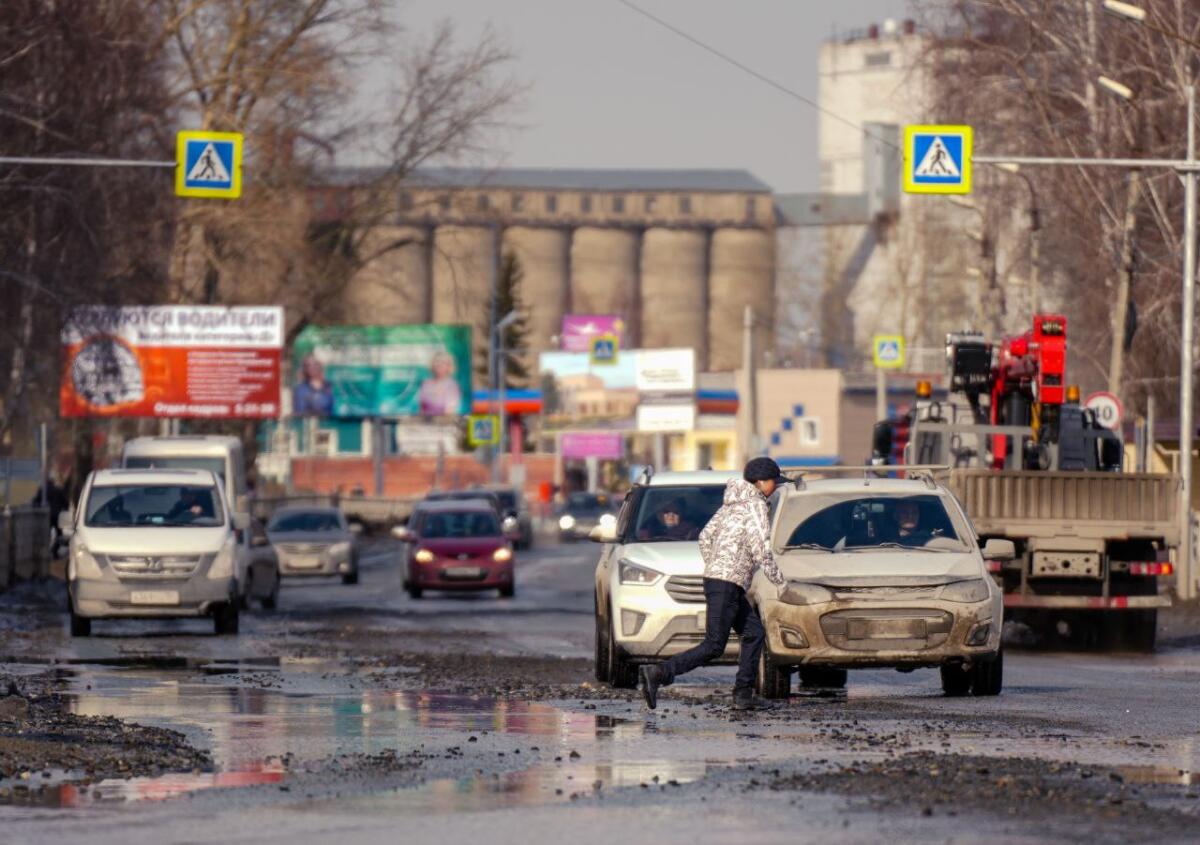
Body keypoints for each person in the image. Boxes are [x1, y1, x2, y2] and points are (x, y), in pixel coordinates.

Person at [640, 457, 788, 711]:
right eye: (774, 482)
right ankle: (659, 673)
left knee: (754, 633)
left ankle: (743, 694)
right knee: (713, 645)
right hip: (727, 582)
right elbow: (762, 549)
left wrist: (717, 564)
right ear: (762, 482)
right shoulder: (755, 505)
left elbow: (705, 536)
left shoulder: (730, 504)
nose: (775, 487)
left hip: (720, 580)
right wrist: (781, 583)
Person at [418, 351, 463, 416]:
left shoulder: (452, 386)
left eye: (443, 362)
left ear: (449, 366)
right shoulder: (426, 383)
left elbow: (449, 413)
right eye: (437, 361)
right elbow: (421, 410)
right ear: (432, 364)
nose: (439, 364)